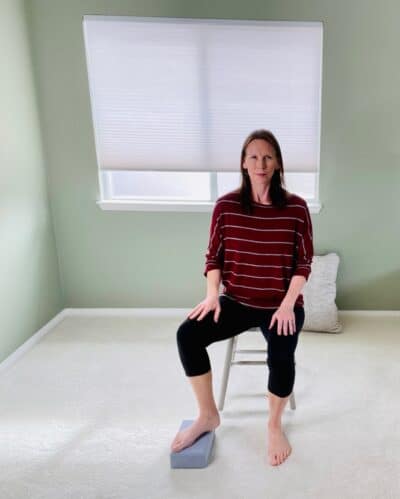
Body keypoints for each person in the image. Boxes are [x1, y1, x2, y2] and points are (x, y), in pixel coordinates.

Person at [170, 129, 314, 466]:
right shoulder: (226, 206)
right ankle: (207, 415)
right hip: (236, 301)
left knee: (281, 355)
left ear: (277, 163)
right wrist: (211, 296)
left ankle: (274, 425)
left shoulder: (296, 208)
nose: (260, 163)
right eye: (253, 157)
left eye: (268, 157)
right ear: (243, 163)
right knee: (187, 335)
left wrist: (288, 304)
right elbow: (213, 258)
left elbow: (304, 262)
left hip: (281, 304)